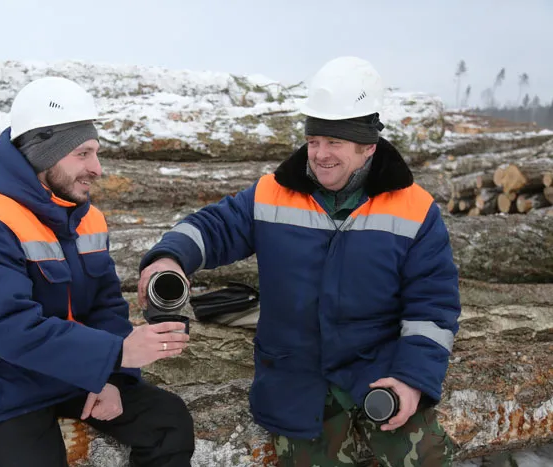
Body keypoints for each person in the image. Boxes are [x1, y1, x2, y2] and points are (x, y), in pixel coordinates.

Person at [138, 57, 459, 466]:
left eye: (335, 143)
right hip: (295, 381)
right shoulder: (272, 193)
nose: (320, 155)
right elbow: (213, 227)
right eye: (313, 141)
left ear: (368, 146)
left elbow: (433, 308)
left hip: (380, 372)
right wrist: (169, 258)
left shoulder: (415, 210)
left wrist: (413, 379)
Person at [0, 76, 195, 467]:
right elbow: (10, 330)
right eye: (83, 154)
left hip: (70, 369)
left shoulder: (88, 219)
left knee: (168, 424)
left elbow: (105, 307)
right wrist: (117, 353)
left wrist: (113, 376)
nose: (97, 168)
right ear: (44, 153)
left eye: (96, 153)